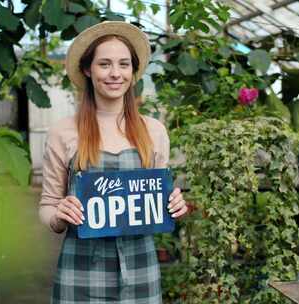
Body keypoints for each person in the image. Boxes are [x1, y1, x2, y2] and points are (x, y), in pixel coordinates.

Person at [39, 21, 188, 303]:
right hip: (79, 272)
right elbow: (47, 206)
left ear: (133, 72)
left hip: (141, 269)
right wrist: (59, 214)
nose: (115, 73)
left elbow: (160, 200)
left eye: (123, 64)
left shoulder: (154, 131)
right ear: (87, 69)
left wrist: (174, 205)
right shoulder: (64, 132)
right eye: (104, 64)